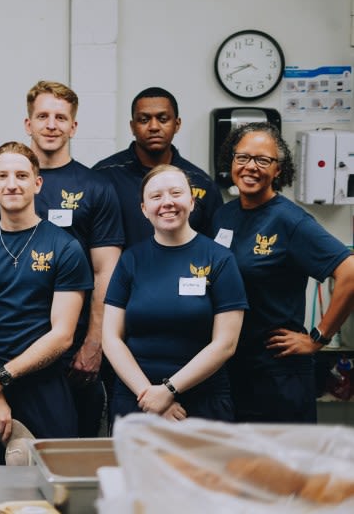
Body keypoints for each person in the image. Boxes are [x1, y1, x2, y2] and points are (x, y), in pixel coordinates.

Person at [0, 142, 92, 465]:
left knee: (49, 494)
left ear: (37, 183)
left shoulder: (65, 247)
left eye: (21, 175)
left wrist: (4, 376)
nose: (11, 184)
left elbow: (62, 335)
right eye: (2, 175)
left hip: (43, 388)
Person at [212, 122, 354, 423]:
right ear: (231, 162)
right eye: (243, 157)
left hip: (277, 373)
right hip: (232, 367)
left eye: (263, 160)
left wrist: (318, 338)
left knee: (280, 469)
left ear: (279, 170)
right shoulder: (224, 216)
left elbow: (350, 272)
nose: (251, 167)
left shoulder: (291, 221)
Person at [17, 80, 123, 437]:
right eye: (42, 116)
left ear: (73, 126)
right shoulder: (6, 181)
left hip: (73, 350)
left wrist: (95, 342)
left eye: (60, 117)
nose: (51, 124)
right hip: (11, 343)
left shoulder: (96, 187)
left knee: (70, 451)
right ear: (27, 124)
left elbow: (105, 269)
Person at [103, 165, 246, 423]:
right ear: (144, 210)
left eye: (176, 193)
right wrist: (150, 397)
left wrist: (169, 390)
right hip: (138, 400)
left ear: (191, 202)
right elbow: (111, 338)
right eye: (156, 197)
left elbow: (225, 344)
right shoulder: (130, 260)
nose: (167, 202)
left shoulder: (219, 259)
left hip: (202, 402)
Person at [93, 87, 222, 247]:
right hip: (122, 271)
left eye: (163, 119)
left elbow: (213, 248)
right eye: (144, 120)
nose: (154, 127)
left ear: (177, 124)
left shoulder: (201, 182)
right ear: (132, 126)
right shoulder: (104, 175)